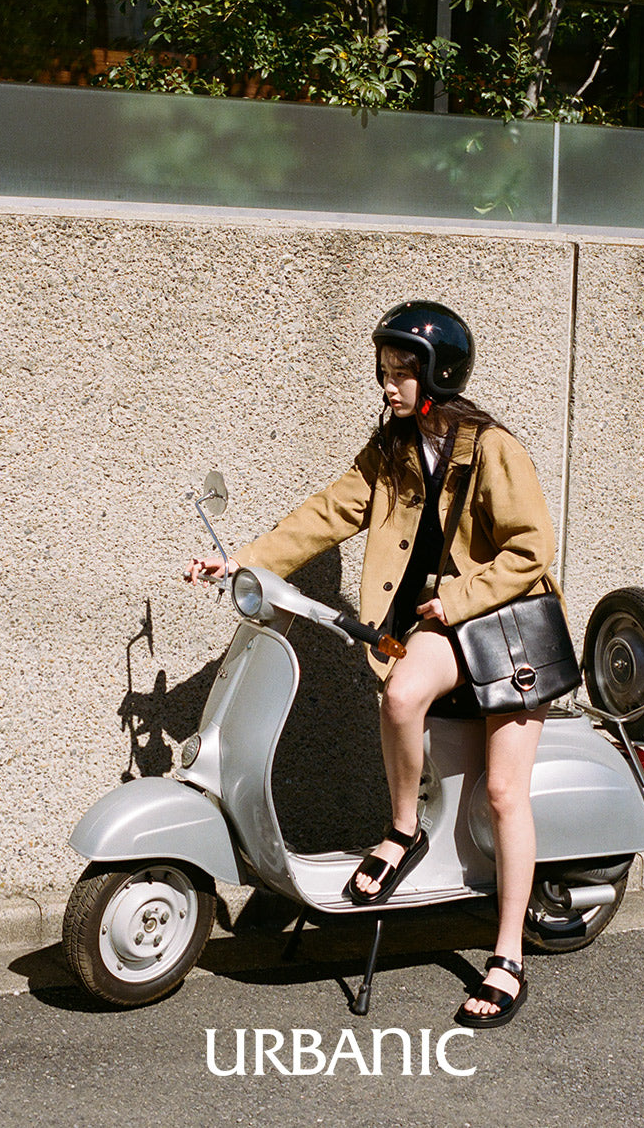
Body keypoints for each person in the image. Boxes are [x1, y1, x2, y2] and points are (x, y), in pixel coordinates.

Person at [184, 300, 560, 1029]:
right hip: (441, 625)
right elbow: (324, 514)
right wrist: (240, 562)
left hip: (506, 628)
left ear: (438, 375)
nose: (387, 386)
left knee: (505, 795)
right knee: (399, 699)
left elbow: (530, 549)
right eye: (384, 373)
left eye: (400, 374)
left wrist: (459, 598)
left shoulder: (490, 449)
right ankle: (403, 830)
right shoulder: (390, 449)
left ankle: (507, 954)